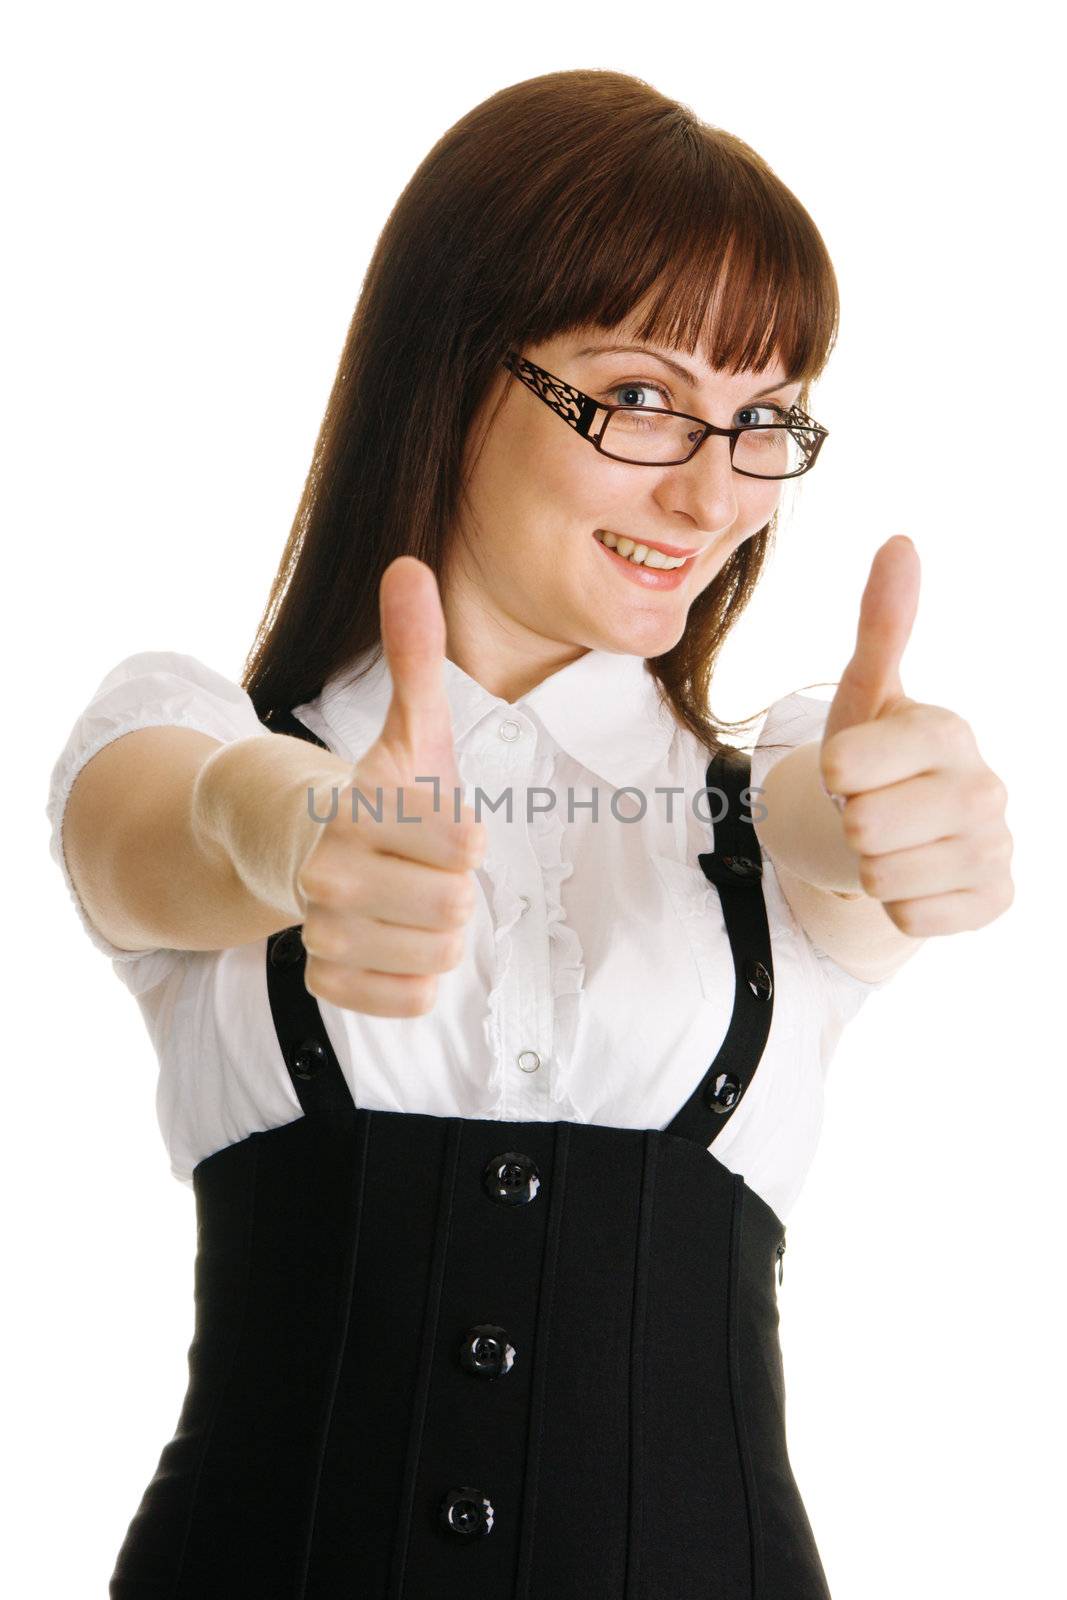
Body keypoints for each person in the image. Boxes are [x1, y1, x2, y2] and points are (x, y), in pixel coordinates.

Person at [46, 68, 1013, 1600]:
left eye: (762, 419)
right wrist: (301, 838)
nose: (711, 493)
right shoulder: (205, 740)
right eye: (641, 399)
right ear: (452, 365)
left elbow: (839, 806)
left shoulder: (775, 790)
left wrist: (909, 806)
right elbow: (162, 828)